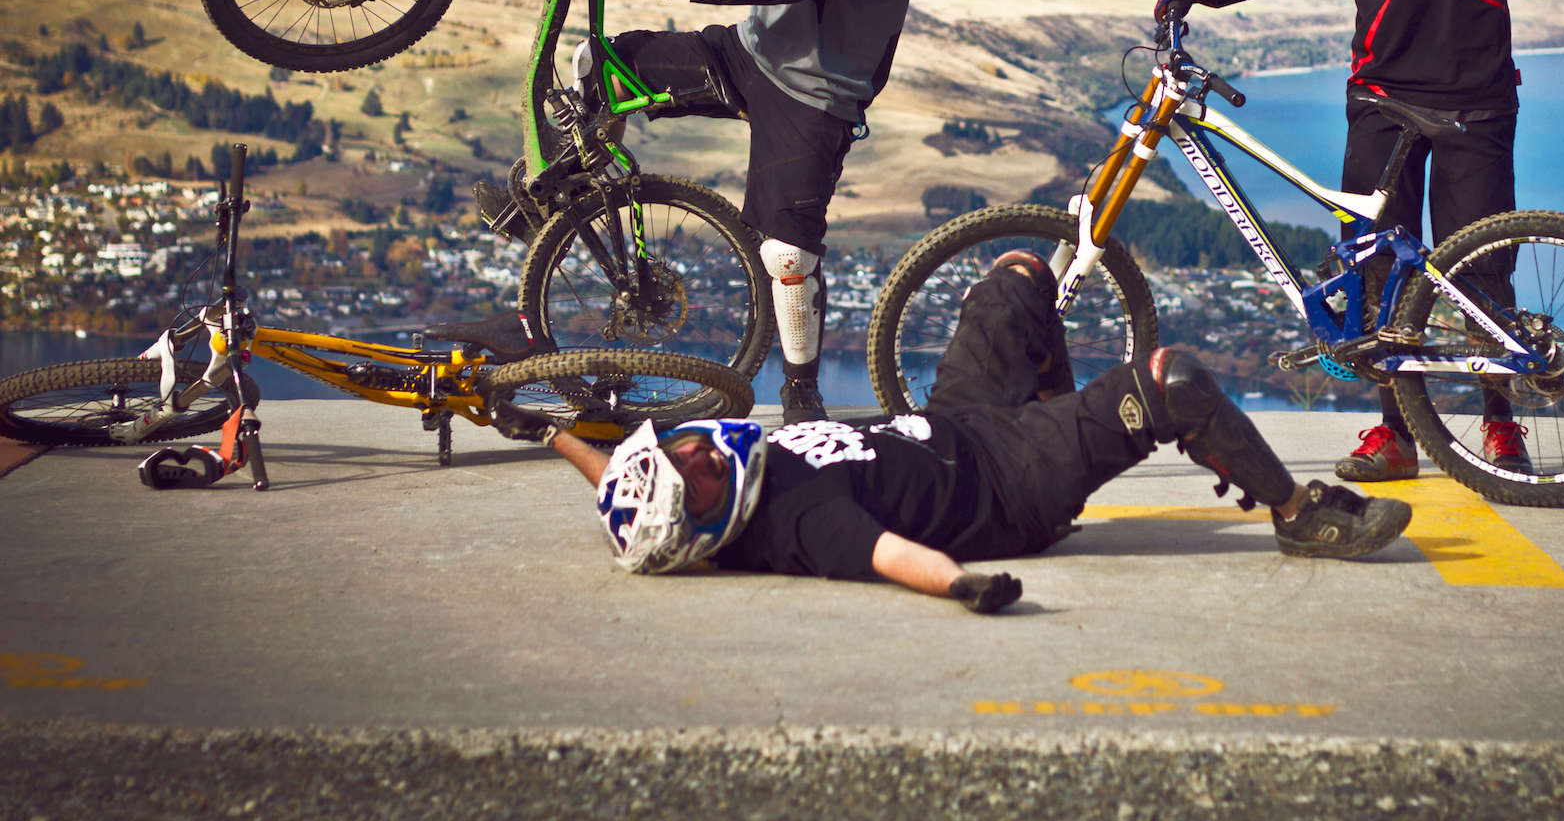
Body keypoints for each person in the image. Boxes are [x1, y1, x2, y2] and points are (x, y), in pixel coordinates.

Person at [487, 253, 1414, 609]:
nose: (693, 448)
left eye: (678, 449)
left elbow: (616, 475)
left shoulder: (673, 484)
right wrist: (971, 587)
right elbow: (895, 557)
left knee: (1015, 274)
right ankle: (1300, 512)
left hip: (956, 420)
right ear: (704, 522)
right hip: (1013, 489)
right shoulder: (801, 522)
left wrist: (544, 430)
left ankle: (1065, 409)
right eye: (688, 469)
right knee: (1177, 380)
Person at [1153, 0, 1538, 483]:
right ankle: (1395, 434)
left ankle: (1501, 425)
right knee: (1377, 278)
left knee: (1478, 277)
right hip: (1381, 101)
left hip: (1474, 100)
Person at [477, 0, 925, 423]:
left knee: (787, 255)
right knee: (597, 66)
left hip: (816, 98)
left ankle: (801, 389)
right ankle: (552, 200)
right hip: (746, 54)